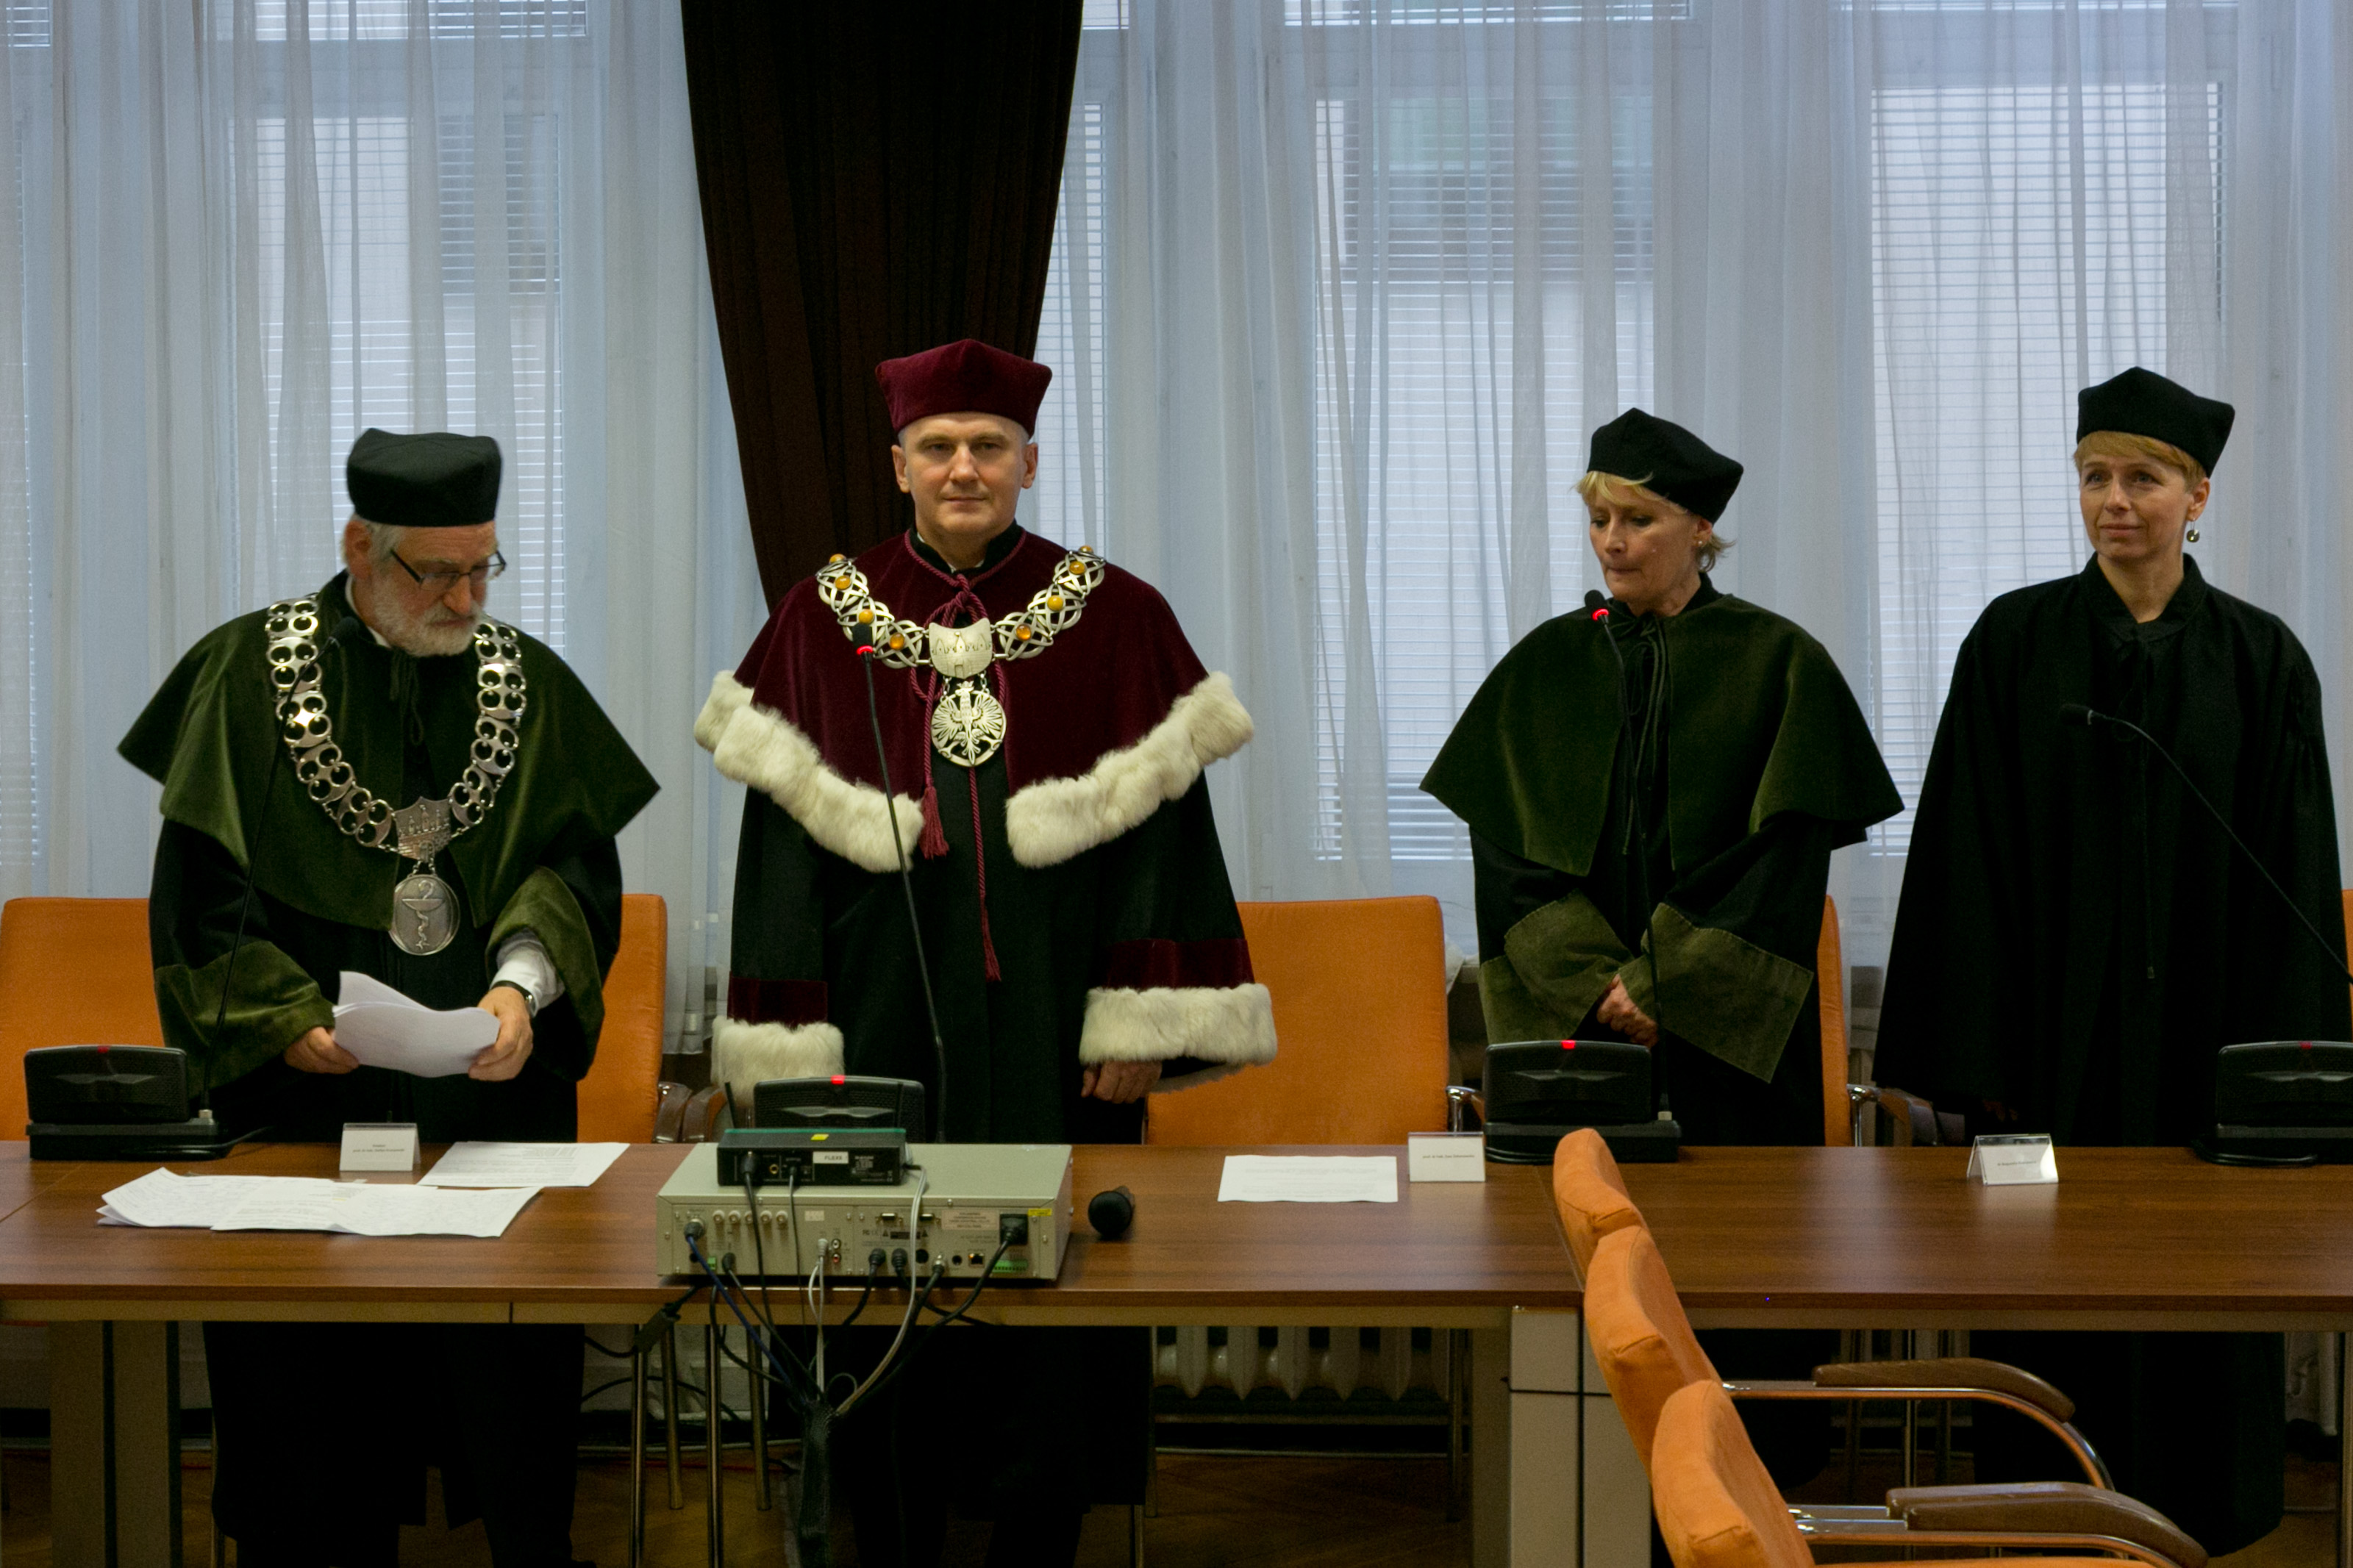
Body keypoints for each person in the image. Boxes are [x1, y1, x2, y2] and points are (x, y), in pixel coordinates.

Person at [697, 337, 1275, 1565]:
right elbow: (778, 860)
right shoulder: (820, 616)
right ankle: (891, 1537)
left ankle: (1037, 1543)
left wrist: (1139, 1017)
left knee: (1055, 1306)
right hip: (876, 1018)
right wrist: (791, 1051)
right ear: (898, 463)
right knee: (873, 1295)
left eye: (988, 447)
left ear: (1028, 460)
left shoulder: (1118, 614)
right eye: (940, 447)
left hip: (1057, 1024)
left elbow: (1167, 843)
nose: (964, 467)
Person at [121, 429, 658, 1568]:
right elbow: (201, 902)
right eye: (437, 572)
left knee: (509, 1412)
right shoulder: (246, 674)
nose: (466, 599)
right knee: (305, 1436)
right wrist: (281, 1016)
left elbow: (572, 871)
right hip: (302, 1118)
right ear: (360, 546)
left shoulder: (523, 682)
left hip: (489, 1112)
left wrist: (520, 988)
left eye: (483, 567)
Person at [1875, 367, 2345, 1553]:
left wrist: (2284, 1083)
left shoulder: (2263, 661)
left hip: (2206, 1059)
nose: (2115, 500)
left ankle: (2197, 1518)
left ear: (2198, 496)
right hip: (2049, 1057)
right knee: (2047, 1307)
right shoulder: (2013, 643)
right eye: (2095, 476)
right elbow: (1964, 855)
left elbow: (2294, 878)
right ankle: (2041, 1523)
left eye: (2143, 477)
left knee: (2204, 1305)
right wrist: (1977, 1063)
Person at [1424, 409, 1899, 1492]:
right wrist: (1601, 986)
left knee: (1742, 1282)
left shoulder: (1780, 663)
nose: (1612, 541)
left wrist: (1665, 982)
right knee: (1594, 1294)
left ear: (1701, 530)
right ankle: (1589, 1506)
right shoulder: (1546, 665)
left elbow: (1786, 864)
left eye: (1637, 520)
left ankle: (1749, 1511)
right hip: (1582, 1042)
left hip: (1735, 1052)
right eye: (1599, 518)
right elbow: (1508, 856)